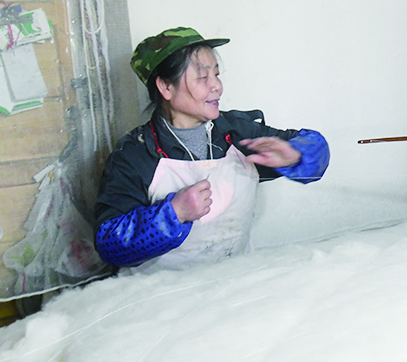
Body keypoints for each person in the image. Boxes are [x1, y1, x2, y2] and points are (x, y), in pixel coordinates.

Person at [95, 27, 329, 270]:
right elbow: (108, 245)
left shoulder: (236, 132)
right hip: (163, 290)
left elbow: (317, 149)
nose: (217, 86)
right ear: (166, 87)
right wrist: (174, 214)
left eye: (216, 75)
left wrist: (296, 155)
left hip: (231, 281)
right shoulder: (135, 154)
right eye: (202, 77)